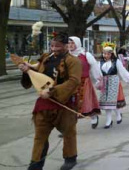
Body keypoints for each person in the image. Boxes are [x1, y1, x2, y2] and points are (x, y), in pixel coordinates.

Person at [19, 32, 82, 170]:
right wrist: (27, 70)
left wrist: (52, 91)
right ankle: (36, 164)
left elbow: (74, 81)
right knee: (40, 136)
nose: (54, 49)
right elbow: (37, 74)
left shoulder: (74, 61)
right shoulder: (45, 58)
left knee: (68, 132)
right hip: (44, 104)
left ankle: (70, 158)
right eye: (52, 45)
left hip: (65, 103)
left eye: (57, 46)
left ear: (66, 46)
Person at [97, 42, 129, 129]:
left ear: (112, 54)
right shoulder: (100, 63)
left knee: (113, 102)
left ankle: (117, 115)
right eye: (104, 53)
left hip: (114, 82)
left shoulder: (116, 62)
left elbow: (122, 71)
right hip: (105, 83)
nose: (106, 55)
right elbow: (97, 74)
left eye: (108, 53)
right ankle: (109, 120)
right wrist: (98, 82)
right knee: (106, 103)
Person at [68, 37, 102, 129]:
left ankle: (94, 116)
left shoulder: (86, 55)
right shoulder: (66, 55)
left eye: (72, 43)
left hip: (84, 82)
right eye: (69, 43)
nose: (70, 45)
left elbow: (94, 66)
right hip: (71, 83)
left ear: (77, 43)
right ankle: (68, 128)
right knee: (71, 104)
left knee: (86, 102)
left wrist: (98, 80)